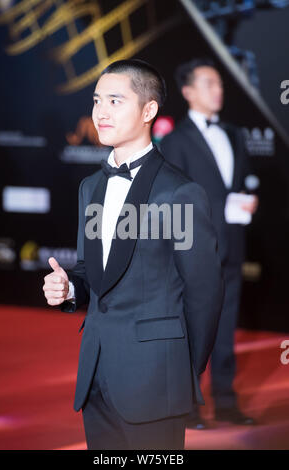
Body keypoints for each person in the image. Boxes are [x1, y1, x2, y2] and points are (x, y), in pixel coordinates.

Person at [42, 59, 223, 450]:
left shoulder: (179, 193)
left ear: (148, 110)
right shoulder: (90, 188)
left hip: (157, 381)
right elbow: (93, 273)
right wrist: (70, 287)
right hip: (95, 377)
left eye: (114, 100)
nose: (101, 112)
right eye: (96, 100)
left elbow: (205, 293)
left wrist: (182, 372)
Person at [161, 58, 258, 429]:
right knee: (193, 327)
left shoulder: (234, 133)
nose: (218, 90)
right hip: (194, 250)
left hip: (233, 244)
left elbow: (244, 180)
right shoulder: (174, 140)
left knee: (226, 326)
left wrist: (249, 198)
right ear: (188, 92)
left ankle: (227, 403)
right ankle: (186, 407)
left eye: (219, 83)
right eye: (208, 83)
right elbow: (170, 198)